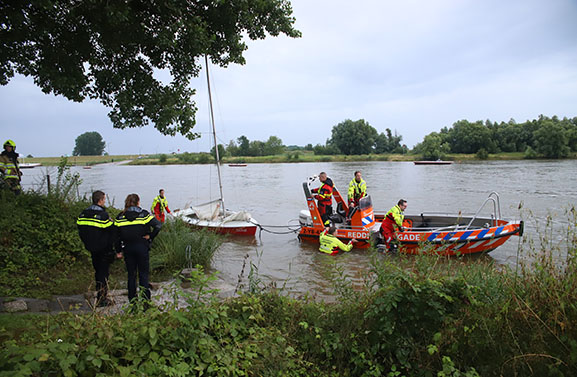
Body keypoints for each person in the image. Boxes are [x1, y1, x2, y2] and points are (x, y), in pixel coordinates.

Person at [115, 193, 162, 306]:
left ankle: (132, 302)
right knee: (143, 275)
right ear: (138, 202)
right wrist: (150, 236)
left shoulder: (120, 217)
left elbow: (115, 236)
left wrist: (118, 251)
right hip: (142, 247)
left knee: (131, 275)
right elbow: (158, 225)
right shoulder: (144, 214)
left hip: (128, 248)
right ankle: (145, 302)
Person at [77, 190, 116, 307]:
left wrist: (87, 242)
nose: (104, 201)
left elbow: (80, 229)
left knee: (97, 271)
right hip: (103, 249)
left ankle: (100, 295)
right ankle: (102, 299)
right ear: (100, 200)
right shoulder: (103, 216)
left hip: (91, 247)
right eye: (104, 199)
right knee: (103, 274)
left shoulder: (83, 214)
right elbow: (112, 231)